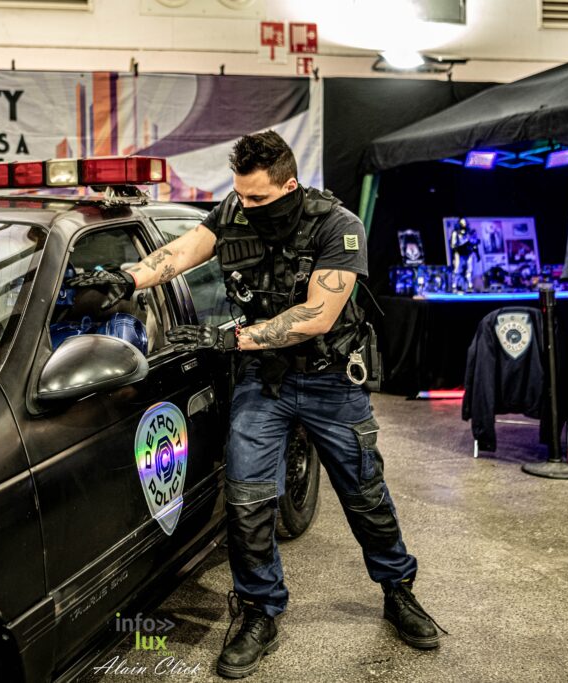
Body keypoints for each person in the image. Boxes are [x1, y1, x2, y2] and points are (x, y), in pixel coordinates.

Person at [68, 131, 444, 679]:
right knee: (247, 501)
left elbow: (317, 315)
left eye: (258, 197)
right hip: (263, 382)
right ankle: (259, 612)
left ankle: (398, 591)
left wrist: (229, 339)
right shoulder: (235, 210)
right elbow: (182, 252)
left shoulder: (338, 226)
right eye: (241, 194)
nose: (246, 205)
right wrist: (127, 279)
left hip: (331, 381)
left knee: (365, 494)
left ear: (289, 187)